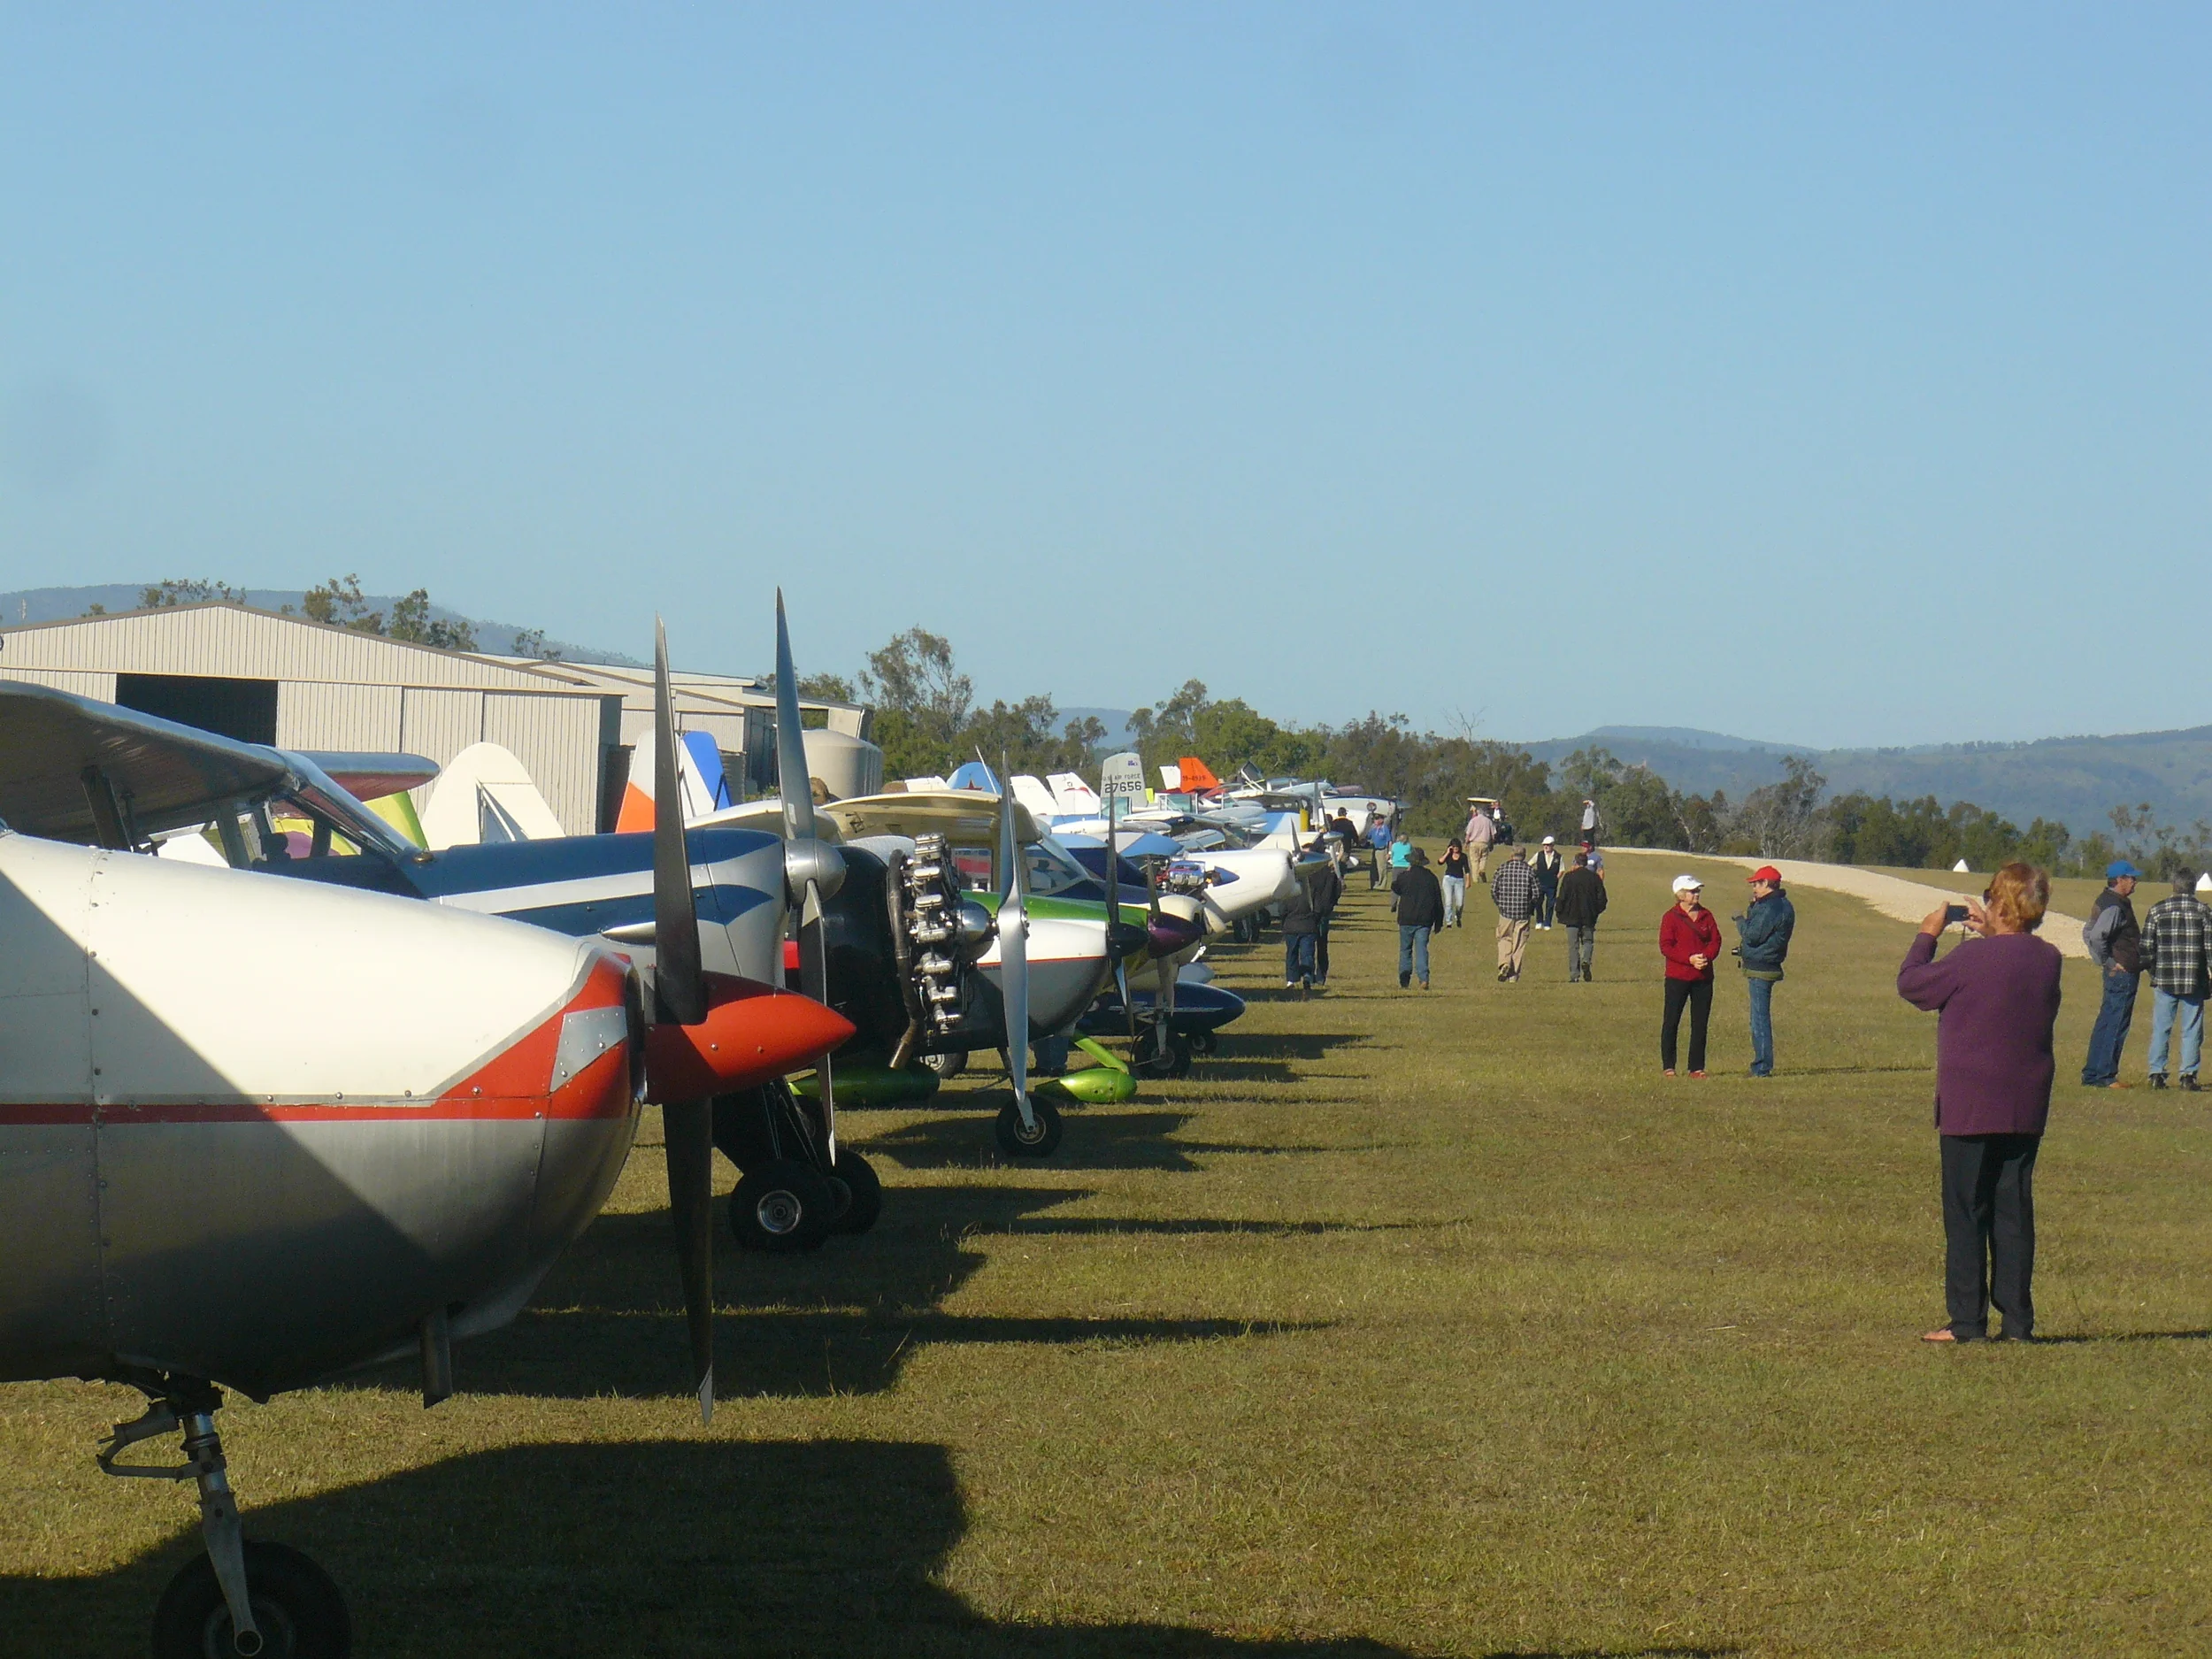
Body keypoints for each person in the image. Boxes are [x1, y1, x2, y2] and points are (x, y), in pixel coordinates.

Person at [1896, 863, 2062, 1343]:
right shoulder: (2048, 958)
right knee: (2012, 1209)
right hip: (2025, 1102)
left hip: (1972, 1103)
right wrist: (1993, 934)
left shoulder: (1972, 960)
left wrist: (1928, 934)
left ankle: (1967, 1322)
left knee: (1967, 1210)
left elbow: (1913, 985)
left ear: (2001, 904)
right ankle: (2017, 1322)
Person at [2139, 867, 2212, 1090]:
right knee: (2192, 1029)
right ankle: (2188, 1075)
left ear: (2174, 885)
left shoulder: (2157, 910)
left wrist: (2155, 972)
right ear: (2193, 887)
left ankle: (2156, 1073)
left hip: (2165, 979)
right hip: (2194, 980)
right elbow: (2210, 949)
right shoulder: (2203, 911)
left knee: (2162, 1027)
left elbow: (2146, 948)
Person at [2080, 860, 2145, 1087]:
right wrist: (2108, 961)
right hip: (2122, 972)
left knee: (2106, 1021)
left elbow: (2087, 931)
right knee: (2116, 1023)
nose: (2135, 882)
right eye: (2131, 878)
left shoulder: (2105, 900)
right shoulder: (2116, 906)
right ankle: (2105, 1076)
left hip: (2116, 972)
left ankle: (2093, 1073)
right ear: (2119, 880)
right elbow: (2097, 936)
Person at [1733, 865, 1796, 1078]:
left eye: (1756, 884)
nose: (1754, 888)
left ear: (1767, 884)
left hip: (1762, 968)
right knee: (1758, 1017)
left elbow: (1752, 935)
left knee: (1759, 1019)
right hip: (1766, 965)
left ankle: (1762, 1067)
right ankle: (1761, 1064)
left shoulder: (1770, 908)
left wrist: (1740, 919)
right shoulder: (1780, 905)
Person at [1659, 874, 1723, 1076]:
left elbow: (1716, 940)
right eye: (1692, 891)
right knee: (1671, 1021)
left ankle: (1696, 1067)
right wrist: (1689, 959)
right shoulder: (1670, 917)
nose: (1696, 894)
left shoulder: (1707, 915)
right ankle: (1669, 1066)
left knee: (1700, 1023)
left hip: (1703, 978)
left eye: (1697, 891)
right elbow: (1666, 946)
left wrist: (1706, 957)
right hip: (1677, 977)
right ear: (1680, 894)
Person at [1392, 846, 1442, 989]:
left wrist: (1404, 874)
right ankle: (1423, 978)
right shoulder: (1431, 878)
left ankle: (1404, 978)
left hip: (1406, 919)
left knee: (1405, 950)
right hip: (1425, 920)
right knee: (1421, 949)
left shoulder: (1404, 877)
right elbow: (1438, 901)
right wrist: (1438, 922)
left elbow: (1395, 887)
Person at [1555, 850, 1608, 981]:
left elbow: (1562, 897)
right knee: (1588, 942)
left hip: (1571, 917)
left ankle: (1574, 975)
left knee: (1573, 946)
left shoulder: (1568, 877)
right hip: (1589, 917)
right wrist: (1596, 912)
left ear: (1575, 862)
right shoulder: (1595, 878)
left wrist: (1559, 911)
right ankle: (1586, 960)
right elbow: (1602, 899)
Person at [1490, 844, 1539, 982]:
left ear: (1511, 855)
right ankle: (1513, 975)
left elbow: (1493, 890)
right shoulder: (1529, 871)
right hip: (1523, 912)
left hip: (1505, 911)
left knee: (1504, 938)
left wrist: (1500, 903)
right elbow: (1536, 893)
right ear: (1524, 856)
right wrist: (1530, 906)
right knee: (1519, 943)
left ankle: (1505, 963)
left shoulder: (1502, 869)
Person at [1280, 866, 1321, 994]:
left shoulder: (1287, 892)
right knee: (1307, 953)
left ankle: (1291, 980)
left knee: (1291, 953)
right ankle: (1307, 976)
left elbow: (1282, 911)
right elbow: (1318, 908)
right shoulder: (1312, 890)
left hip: (1291, 926)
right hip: (1308, 926)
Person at [1310, 840, 1343, 987]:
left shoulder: (1309, 873)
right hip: (1324, 912)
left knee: (1308, 945)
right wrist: (1331, 904)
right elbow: (1337, 890)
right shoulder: (1330, 873)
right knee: (1322, 946)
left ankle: (1308, 974)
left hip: (1311, 912)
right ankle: (1321, 975)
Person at [1530, 835, 1563, 928]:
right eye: (1545, 845)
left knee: (1550, 904)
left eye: (1548, 845)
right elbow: (1530, 864)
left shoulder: (1558, 857)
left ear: (1552, 845)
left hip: (1552, 885)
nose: (1546, 847)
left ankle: (1547, 923)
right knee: (1538, 903)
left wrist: (1556, 878)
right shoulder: (1539, 855)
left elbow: (1561, 870)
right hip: (1539, 883)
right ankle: (1539, 921)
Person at [1440, 838, 1470, 928]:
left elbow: (1467, 869)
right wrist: (1447, 852)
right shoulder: (1448, 855)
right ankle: (1449, 922)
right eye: (1454, 846)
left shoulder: (1463, 856)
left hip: (1459, 881)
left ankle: (1458, 917)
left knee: (1459, 903)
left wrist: (1468, 881)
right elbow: (1440, 862)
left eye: (1457, 847)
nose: (1455, 848)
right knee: (1448, 902)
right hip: (1448, 879)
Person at [1465, 803, 1496, 879]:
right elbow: (1493, 834)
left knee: (1474, 861)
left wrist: (1466, 843)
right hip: (1485, 843)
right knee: (1483, 858)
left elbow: (1468, 833)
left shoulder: (1473, 821)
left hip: (1474, 843)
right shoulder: (1489, 821)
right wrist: (1492, 843)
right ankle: (1482, 870)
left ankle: (1475, 878)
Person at [1365, 814, 1391, 889]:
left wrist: (1389, 853)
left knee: (1382, 868)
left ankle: (1382, 885)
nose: (1375, 821)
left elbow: (1389, 841)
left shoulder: (1385, 828)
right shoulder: (1374, 829)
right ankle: (1376, 883)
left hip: (1382, 850)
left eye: (1377, 819)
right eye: (1375, 819)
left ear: (1381, 820)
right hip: (1376, 850)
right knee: (1376, 868)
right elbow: (1368, 836)